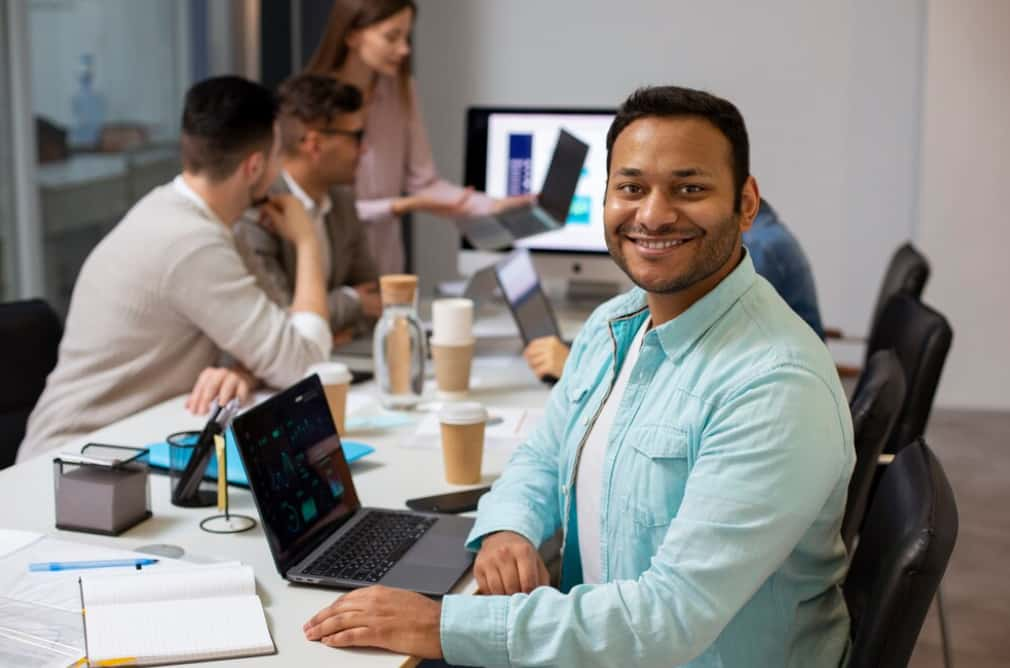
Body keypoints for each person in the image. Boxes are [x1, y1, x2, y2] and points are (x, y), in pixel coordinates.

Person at [302, 86, 855, 666]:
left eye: (690, 188)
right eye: (631, 188)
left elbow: (669, 618)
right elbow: (543, 453)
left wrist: (442, 624)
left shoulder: (773, 385)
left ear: (746, 203)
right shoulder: (614, 325)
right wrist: (508, 529)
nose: (654, 214)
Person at [19, 76, 332, 461]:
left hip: (128, 450)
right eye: (278, 154)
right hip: (70, 465)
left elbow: (280, 335)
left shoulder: (203, 221)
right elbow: (306, 364)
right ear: (253, 166)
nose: (280, 168)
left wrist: (245, 370)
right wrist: (307, 241)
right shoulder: (191, 242)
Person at [304, 0, 532, 275]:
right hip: (334, 263)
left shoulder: (400, 89)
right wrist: (401, 206)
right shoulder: (311, 102)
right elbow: (314, 204)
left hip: (387, 264)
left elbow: (424, 182)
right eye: (392, 37)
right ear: (352, 35)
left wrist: (494, 205)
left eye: (406, 36)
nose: (404, 49)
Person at [524, 198, 825, 380]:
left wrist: (577, 370)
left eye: (690, 191)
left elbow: (694, 360)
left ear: (746, 199)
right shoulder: (762, 233)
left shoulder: (755, 248)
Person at [233, 73, 380, 343]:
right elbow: (283, 326)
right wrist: (351, 301)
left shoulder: (342, 201)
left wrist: (343, 326)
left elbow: (377, 298)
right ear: (314, 144)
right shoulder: (258, 209)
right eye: (357, 137)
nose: (365, 149)